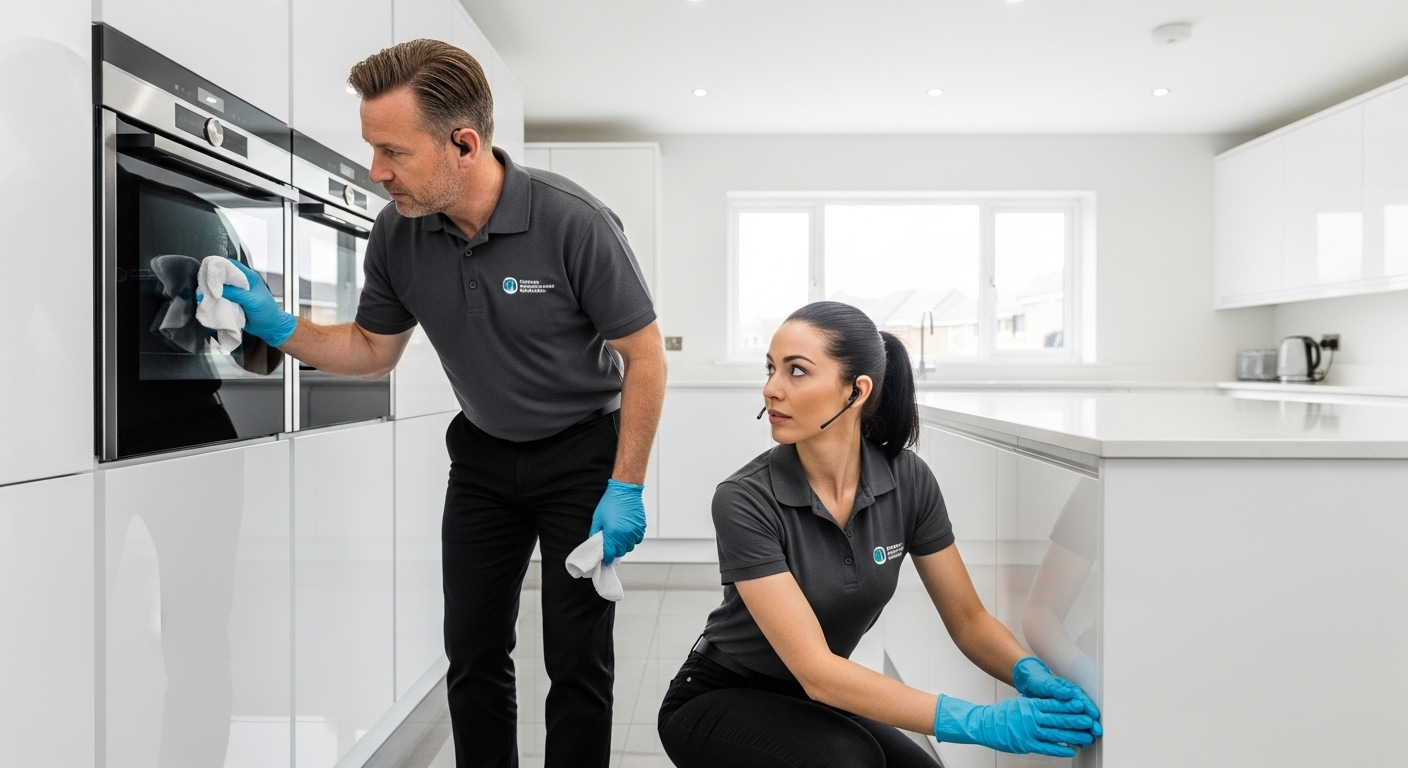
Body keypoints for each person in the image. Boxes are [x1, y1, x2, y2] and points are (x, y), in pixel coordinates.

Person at [215, 39, 667, 768]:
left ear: (463, 143)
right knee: (473, 651)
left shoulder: (572, 221)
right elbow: (371, 349)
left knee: (577, 659)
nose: (376, 171)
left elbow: (645, 356)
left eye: (393, 150)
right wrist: (281, 327)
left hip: (581, 455)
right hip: (485, 459)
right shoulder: (397, 233)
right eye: (372, 149)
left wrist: (625, 484)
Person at [656, 301, 1101, 767]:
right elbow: (816, 670)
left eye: (797, 372)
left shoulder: (909, 480)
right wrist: (977, 722)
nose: (772, 389)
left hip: (810, 695)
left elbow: (968, 619)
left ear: (857, 390)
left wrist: (1029, 672)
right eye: (771, 369)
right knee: (848, 761)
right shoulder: (744, 499)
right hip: (719, 696)